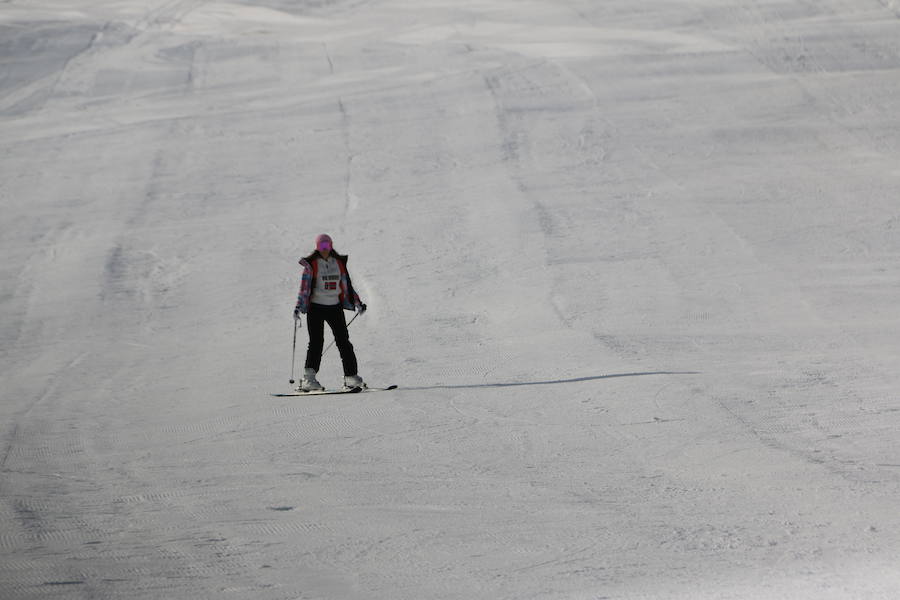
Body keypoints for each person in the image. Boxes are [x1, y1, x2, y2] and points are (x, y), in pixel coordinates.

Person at [293, 234, 367, 391]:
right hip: (316, 308)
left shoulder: (338, 263)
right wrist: (298, 307)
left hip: (335, 307)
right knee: (316, 342)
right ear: (317, 247)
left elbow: (346, 285)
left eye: (327, 246)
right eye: (322, 247)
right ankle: (309, 380)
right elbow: (304, 289)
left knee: (343, 341)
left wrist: (357, 302)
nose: (325, 250)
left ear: (331, 246)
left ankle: (351, 377)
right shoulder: (312, 264)